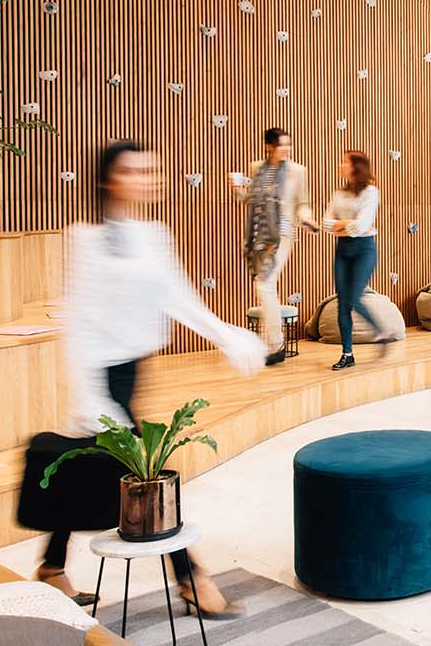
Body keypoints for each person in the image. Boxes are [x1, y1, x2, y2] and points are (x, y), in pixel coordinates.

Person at [19, 141, 265, 614]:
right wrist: (89, 396)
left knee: (92, 472)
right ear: (108, 181)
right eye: (133, 171)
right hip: (102, 377)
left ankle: (51, 569)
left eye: (152, 168)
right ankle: (190, 577)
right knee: (145, 477)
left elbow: (178, 297)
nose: (148, 177)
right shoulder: (85, 239)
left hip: (133, 371)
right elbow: (79, 321)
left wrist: (227, 335)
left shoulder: (154, 234)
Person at [230, 127, 317, 365]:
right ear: (269, 146)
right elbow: (251, 200)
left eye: (289, 144)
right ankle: (272, 341)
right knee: (263, 286)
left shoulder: (298, 171)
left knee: (265, 284)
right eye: (281, 145)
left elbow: (303, 202)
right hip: (259, 236)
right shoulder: (256, 168)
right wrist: (238, 189)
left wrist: (307, 218)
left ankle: (275, 342)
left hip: (283, 234)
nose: (287, 149)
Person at [322, 150, 396, 370]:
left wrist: (340, 226)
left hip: (364, 250)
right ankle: (347, 354)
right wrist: (347, 226)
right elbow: (326, 224)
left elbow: (359, 227)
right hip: (342, 251)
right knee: (342, 305)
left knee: (353, 298)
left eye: (344, 162)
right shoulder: (338, 194)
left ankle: (382, 332)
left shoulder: (371, 192)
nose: (340, 165)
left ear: (356, 166)